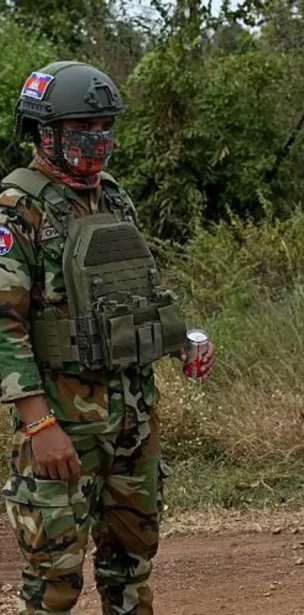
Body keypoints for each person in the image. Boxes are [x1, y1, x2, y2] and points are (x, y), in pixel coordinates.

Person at [0, 61, 216, 615]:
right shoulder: (16, 209)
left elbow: (132, 294)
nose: (97, 141)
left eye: (104, 127)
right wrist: (40, 425)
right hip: (61, 423)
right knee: (54, 583)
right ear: (44, 133)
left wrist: (182, 337)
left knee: (132, 570)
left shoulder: (114, 198)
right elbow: (4, 325)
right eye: (82, 129)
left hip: (134, 418)